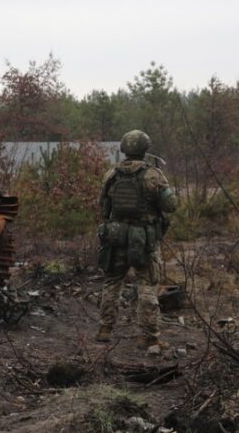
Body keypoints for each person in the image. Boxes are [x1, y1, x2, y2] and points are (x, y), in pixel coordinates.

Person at [95, 130, 177, 349]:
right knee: (148, 286)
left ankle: (104, 329)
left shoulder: (111, 174)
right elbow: (171, 206)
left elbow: (103, 205)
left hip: (115, 236)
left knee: (112, 283)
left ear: (124, 149)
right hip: (144, 239)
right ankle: (149, 337)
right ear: (145, 149)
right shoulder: (153, 175)